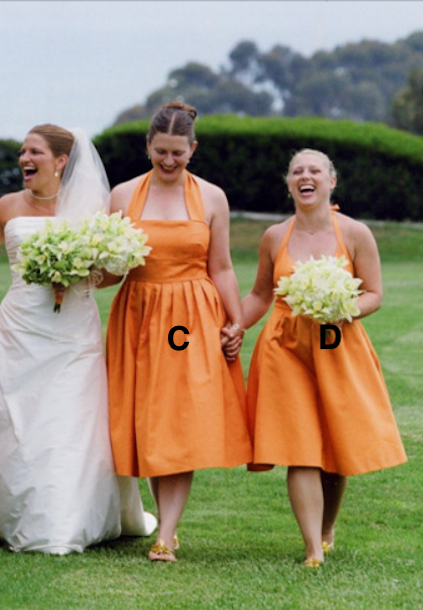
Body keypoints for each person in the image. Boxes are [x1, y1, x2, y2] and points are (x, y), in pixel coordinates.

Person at [0, 124, 156, 554]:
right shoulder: (6, 207)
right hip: (18, 327)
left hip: (74, 330)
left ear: (61, 161)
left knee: (68, 418)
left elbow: (113, 272)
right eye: (21, 152)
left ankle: (61, 520)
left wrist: (79, 272)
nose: (23, 159)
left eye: (34, 152)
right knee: (14, 418)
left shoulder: (92, 208)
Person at [241, 148, 407, 567]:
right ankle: (313, 549)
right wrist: (232, 326)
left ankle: (327, 529)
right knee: (301, 447)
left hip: (337, 344)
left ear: (332, 181)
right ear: (289, 183)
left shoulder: (354, 233)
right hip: (284, 346)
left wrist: (341, 307)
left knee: (336, 447)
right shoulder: (275, 236)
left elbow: (374, 294)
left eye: (315, 170)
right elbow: (262, 294)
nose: (305, 176)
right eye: (297, 170)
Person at [105, 102, 252, 563]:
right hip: (138, 311)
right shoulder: (123, 194)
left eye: (178, 153)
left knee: (179, 420)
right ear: (148, 146)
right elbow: (112, 269)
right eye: (161, 152)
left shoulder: (212, 198)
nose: (169, 161)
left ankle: (166, 533)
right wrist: (76, 275)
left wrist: (236, 321)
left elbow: (222, 267)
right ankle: (165, 524)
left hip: (190, 316)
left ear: (193, 148)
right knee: (151, 419)